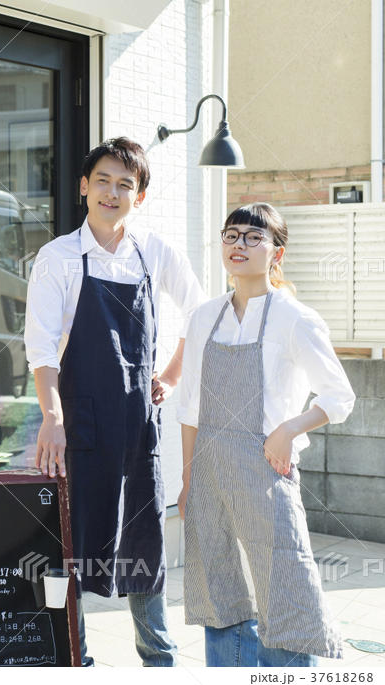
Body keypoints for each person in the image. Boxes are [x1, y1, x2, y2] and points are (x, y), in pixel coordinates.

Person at [24, 137, 206, 666]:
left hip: (135, 427)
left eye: (125, 184)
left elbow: (201, 313)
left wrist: (171, 375)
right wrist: (52, 417)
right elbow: (41, 347)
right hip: (77, 427)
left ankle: (160, 661)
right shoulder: (58, 257)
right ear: (84, 186)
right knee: (68, 546)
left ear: (139, 196)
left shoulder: (155, 252)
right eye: (102, 180)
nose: (112, 192)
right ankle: (72, 660)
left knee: (143, 541)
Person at [177, 203, 354, 667]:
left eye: (254, 237)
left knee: (286, 597)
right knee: (219, 596)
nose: (240, 244)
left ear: (277, 253)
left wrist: (289, 429)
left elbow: (340, 396)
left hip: (266, 475)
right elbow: (190, 407)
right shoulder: (204, 317)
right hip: (209, 477)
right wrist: (189, 480)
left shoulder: (294, 318)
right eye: (232, 234)